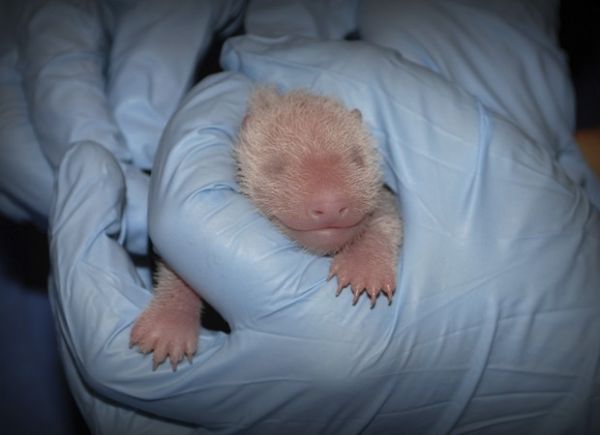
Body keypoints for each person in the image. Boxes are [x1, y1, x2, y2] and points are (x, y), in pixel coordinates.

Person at [5, 0, 600, 433]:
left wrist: (370, 247)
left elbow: (387, 214)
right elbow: (185, 254)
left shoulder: (380, 167)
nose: (330, 198)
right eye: (280, 170)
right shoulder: (227, 168)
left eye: (353, 161)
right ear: (238, 154)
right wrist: (176, 306)